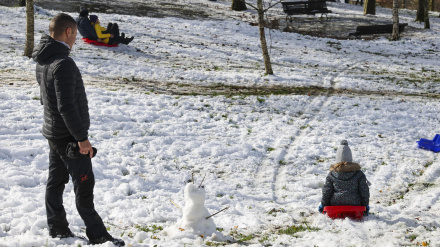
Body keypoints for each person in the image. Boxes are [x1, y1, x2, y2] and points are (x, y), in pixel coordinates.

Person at [32, 13, 125, 246]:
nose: (75, 41)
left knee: (55, 181)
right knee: (84, 184)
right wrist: (82, 139)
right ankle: (98, 235)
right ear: (69, 32)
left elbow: (47, 101)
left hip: (54, 133)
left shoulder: (44, 59)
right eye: (75, 35)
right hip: (68, 137)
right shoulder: (63, 63)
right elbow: (66, 107)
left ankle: (58, 228)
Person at [319, 140, 370, 215]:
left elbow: (327, 191)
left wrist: (323, 204)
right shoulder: (359, 174)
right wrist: (365, 204)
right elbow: (364, 190)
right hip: (355, 204)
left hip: (335, 204)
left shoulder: (332, 174)